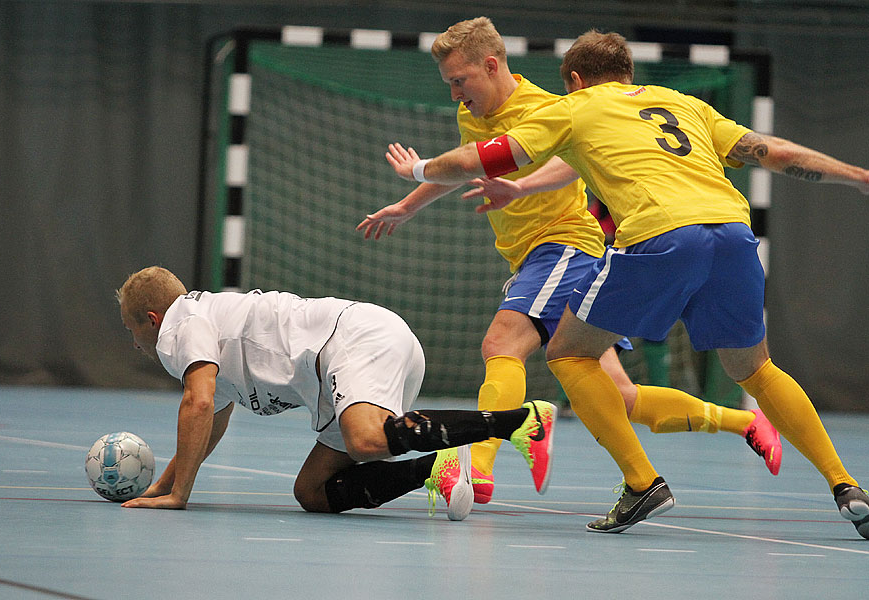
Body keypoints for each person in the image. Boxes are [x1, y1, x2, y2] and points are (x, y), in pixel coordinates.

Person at [383, 29, 869, 537]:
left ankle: (641, 482)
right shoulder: (686, 105)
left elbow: (475, 161)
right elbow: (772, 151)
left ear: (574, 79)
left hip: (658, 239)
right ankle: (845, 483)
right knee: (756, 369)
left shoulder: (574, 107)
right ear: (628, 73)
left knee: (568, 354)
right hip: (732, 235)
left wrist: (416, 169)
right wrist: (857, 176)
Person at [114, 266, 555, 521]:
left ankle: (522, 422)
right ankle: (435, 467)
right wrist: (163, 484)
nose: (133, 343)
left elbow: (199, 402)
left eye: (131, 330)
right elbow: (212, 417)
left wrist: (180, 496)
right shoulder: (207, 323)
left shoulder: (180, 325)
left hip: (353, 342)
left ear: (152, 319)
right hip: (352, 361)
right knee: (312, 492)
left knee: (366, 437)